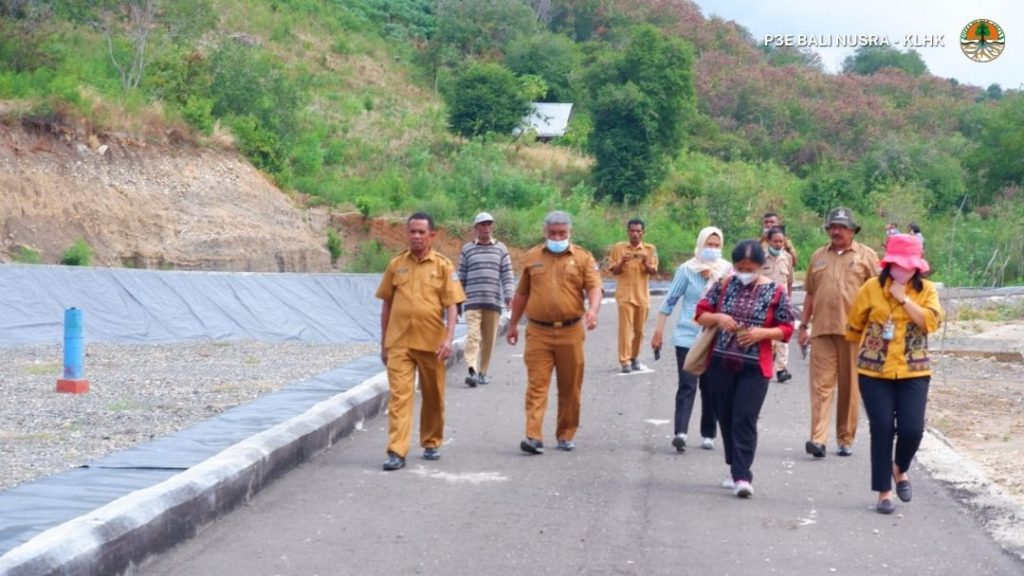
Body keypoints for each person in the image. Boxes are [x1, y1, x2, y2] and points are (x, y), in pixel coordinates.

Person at [845, 234, 943, 514]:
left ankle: (900, 467)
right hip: (874, 371)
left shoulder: (927, 290)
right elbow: (854, 324)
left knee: (912, 429)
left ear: (918, 267)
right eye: (899, 265)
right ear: (888, 264)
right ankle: (884, 492)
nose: (904, 270)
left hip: (914, 369)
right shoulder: (870, 288)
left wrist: (904, 301)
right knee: (882, 428)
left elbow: (931, 322)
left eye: (910, 266)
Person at [695, 240, 794, 498]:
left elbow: (786, 328)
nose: (744, 272)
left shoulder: (775, 291)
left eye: (750, 268)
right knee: (726, 417)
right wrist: (718, 318)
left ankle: (742, 476)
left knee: (744, 418)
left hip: (754, 368)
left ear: (761, 267)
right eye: (740, 267)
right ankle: (734, 465)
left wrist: (763, 333)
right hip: (720, 364)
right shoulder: (724, 284)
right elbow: (701, 314)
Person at [507, 210, 603, 454]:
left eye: (562, 233)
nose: (557, 237)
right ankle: (533, 436)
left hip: (571, 332)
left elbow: (594, 286)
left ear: (570, 233)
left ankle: (565, 433)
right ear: (545, 233)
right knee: (536, 385)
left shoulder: (582, 257)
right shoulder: (532, 257)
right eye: (553, 233)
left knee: (570, 387)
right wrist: (512, 324)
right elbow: (521, 294)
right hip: (538, 332)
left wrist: (592, 310)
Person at [375, 213, 466, 471]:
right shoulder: (396, 265)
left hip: (432, 344)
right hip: (399, 342)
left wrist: (449, 339)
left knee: (433, 396)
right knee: (400, 397)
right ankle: (396, 451)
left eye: (421, 232)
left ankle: (431, 440)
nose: (416, 236)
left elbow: (451, 306)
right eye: (412, 231)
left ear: (432, 235)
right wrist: (384, 344)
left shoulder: (443, 267)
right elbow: (387, 305)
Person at [799, 207, 879, 459]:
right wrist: (803, 326)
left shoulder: (867, 257)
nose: (836, 231)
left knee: (849, 388)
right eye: (832, 226)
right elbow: (810, 293)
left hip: (855, 333)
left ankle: (845, 438)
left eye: (842, 227)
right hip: (822, 330)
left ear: (852, 230)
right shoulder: (818, 256)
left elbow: (879, 293)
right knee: (821, 387)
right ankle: (818, 439)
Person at [650, 226, 731, 452]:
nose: (712, 249)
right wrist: (658, 331)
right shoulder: (686, 270)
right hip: (687, 335)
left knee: (711, 387)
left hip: (714, 335)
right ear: (700, 244)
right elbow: (670, 300)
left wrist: (716, 279)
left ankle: (708, 433)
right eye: (709, 245)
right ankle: (681, 432)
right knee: (687, 385)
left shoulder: (727, 270)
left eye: (716, 246)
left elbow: (732, 300)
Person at [457, 211, 515, 387]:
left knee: (489, 339)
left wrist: (509, 295)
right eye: (483, 224)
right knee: (473, 336)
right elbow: (461, 277)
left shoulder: (501, 249)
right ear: (476, 228)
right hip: (473, 301)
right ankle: (472, 371)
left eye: (489, 224)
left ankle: (483, 372)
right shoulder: (467, 249)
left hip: (493, 301)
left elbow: (507, 274)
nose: (486, 228)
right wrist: (457, 300)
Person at [607, 219, 659, 373]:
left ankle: (634, 357)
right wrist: (622, 261)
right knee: (625, 330)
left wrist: (645, 263)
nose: (635, 234)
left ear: (643, 232)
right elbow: (613, 271)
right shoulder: (618, 248)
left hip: (642, 295)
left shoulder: (650, 249)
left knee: (639, 330)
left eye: (638, 231)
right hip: (624, 295)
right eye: (632, 231)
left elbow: (653, 271)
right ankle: (625, 361)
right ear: (628, 231)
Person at [761, 226, 794, 383]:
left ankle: (781, 369)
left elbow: (790, 281)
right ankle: (765, 365)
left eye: (781, 241)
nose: (779, 244)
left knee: (782, 336)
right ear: (768, 241)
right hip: (764, 303)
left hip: (782, 303)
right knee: (766, 336)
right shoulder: (761, 257)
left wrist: (788, 302)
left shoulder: (787, 258)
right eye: (775, 241)